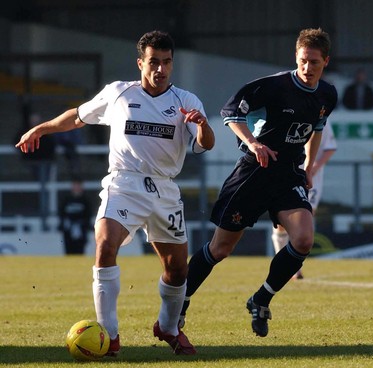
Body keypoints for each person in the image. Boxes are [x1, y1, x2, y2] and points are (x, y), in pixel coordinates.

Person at [15, 30, 215, 355]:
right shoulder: (119, 93)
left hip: (164, 189)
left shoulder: (186, 101)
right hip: (124, 184)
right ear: (140, 63)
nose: (160, 69)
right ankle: (109, 337)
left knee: (178, 269)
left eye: (166, 63)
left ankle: (167, 327)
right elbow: (77, 117)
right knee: (105, 245)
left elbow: (204, 145)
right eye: (153, 62)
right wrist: (42, 128)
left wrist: (203, 125)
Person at [179, 28, 337, 338]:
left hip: (288, 173)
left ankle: (260, 299)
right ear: (296, 57)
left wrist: (307, 167)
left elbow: (317, 128)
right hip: (254, 172)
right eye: (303, 61)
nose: (307, 68)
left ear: (326, 62)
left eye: (314, 63)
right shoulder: (273, 87)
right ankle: (179, 303)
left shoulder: (327, 94)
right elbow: (230, 113)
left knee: (304, 240)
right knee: (221, 248)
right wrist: (253, 143)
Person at [271, 119, 337, 279]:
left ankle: (292, 266)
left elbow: (330, 147)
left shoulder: (322, 118)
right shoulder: (286, 113)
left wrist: (314, 167)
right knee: (281, 223)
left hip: (311, 179)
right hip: (286, 175)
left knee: (302, 223)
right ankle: (283, 262)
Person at [59, 178, 92, 255]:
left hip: (81, 227)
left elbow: (88, 215)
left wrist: (85, 225)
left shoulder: (85, 200)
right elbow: (61, 213)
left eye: (78, 186)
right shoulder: (66, 199)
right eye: (75, 186)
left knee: (80, 247)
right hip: (69, 227)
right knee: (68, 247)